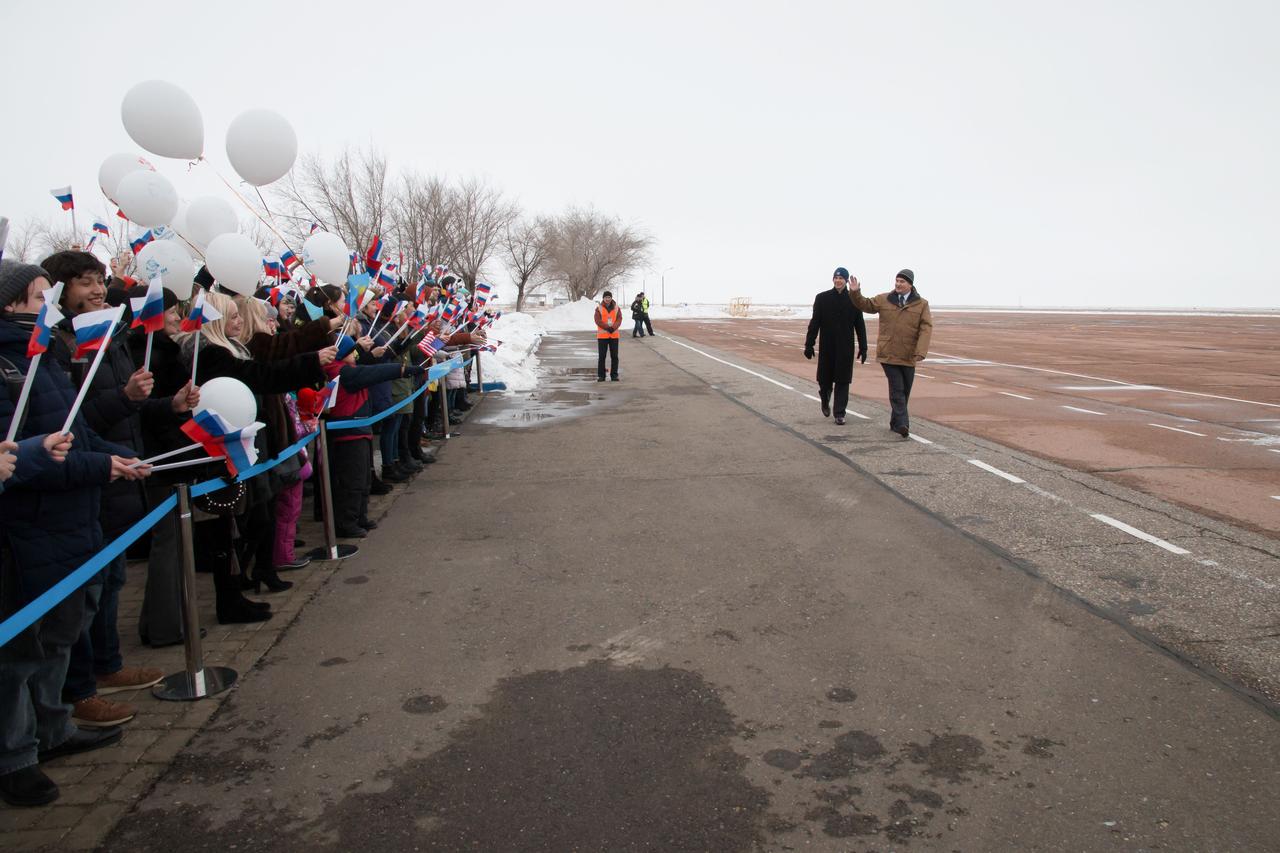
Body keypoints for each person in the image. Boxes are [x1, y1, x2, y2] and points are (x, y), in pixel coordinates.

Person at [0, 260, 149, 806]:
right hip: (31, 529)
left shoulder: (48, 359)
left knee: (61, 634)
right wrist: (99, 467)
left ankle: (55, 728)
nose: (52, 305)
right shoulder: (8, 365)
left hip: (74, 519)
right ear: (14, 303)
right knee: (19, 651)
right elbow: (20, 457)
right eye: (42, 295)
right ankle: (15, 754)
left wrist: (121, 457)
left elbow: (77, 433)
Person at [848, 269, 933, 438]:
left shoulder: (921, 304)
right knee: (897, 389)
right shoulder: (884, 299)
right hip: (888, 353)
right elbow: (865, 304)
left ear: (910, 284)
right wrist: (855, 292)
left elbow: (926, 328)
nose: (898, 284)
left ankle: (895, 423)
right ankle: (903, 424)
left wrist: (921, 351)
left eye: (902, 281)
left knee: (905, 391)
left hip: (909, 355)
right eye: (897, 280)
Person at [804, 268, 868, 425]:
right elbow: (815, 323)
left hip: (845, 348)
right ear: (833, 279)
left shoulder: (854, 300)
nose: (838, 280)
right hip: (827, 346)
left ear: (846, 281)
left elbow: (860, 325)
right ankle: (825, 397)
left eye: (841, 278)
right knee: (824, 379)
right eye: (836, 277)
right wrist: (809, 344)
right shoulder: (822, 298)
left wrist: (863, 347)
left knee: (843, 380)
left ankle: (839, 413)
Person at [594, 291, 621, 382]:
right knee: (602, 356)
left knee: (615, 356)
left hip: (614, 336)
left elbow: (619, 319)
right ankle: (601, 376)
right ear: (603, 298)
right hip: (602, 337)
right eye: (606, 297)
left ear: (611, 298)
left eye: (609, 297)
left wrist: (613, 327)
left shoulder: (617, 308)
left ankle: (614, 375)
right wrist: (607, 327)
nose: (607, 299)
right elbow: (597, 320)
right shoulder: (599, 308)